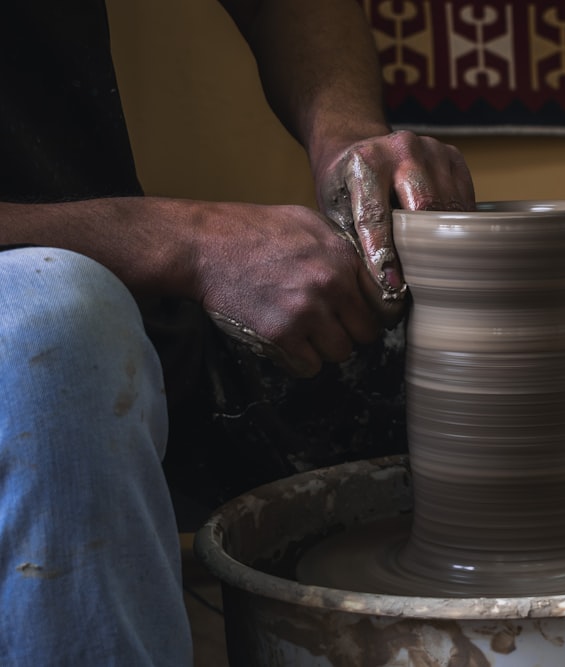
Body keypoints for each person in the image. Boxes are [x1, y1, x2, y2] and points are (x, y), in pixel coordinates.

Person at [0, 0, 475, 663]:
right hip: (70, 296)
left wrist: (344, 132)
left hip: (107, 260)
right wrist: (187, 240)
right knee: (57, 334)